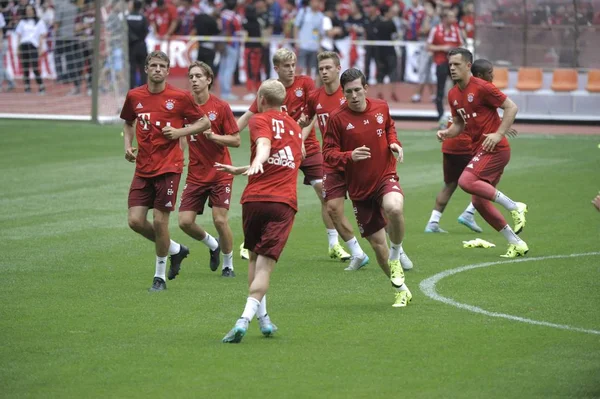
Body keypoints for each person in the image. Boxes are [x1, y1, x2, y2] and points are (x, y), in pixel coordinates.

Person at [236, 48, 350, 262]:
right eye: (286, 66)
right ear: (276, 68)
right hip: (278, 150)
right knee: (260, 195)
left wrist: (299, 138)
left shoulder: (305, 84)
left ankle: (334, 244)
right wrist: (228, 133)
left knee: (324, 192)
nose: (291, 70)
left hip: (308, 147)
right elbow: (248, 115)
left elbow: (313, 113)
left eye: (293, 65)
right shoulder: (271, 90)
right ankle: (248, 242)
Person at [217, 79, 302, 343]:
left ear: (261, 100)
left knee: (254, 259)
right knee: (265, 267)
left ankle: (264, 321)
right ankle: (244, 320)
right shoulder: (296, 128)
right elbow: (279, 158)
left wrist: (251, 164)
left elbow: (265, 148)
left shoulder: (258, 120)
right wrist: (250, 165)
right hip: (282, 204)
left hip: (253, 201)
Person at [119, 51, 210, 291]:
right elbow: (128, 122)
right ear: (146, 69)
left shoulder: (179, 98)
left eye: (162, 66)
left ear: (168, 71)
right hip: (143, 167)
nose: (158, 69)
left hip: (169, 167)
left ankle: (159, 277)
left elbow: (204, 122)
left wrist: (180, 132)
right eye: (154, 65)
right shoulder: (134, 96)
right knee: (135, 221)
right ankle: (176, 249)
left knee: (160, 222)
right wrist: (128, 145)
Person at [323, 68, 414, 307]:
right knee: (376, 245)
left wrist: (394, 143)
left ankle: (397, 251)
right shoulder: (336, 118)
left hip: (385, 175)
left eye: (357, 90)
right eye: (348, 92)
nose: (353, 96)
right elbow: (328, 155)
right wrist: (349, 156)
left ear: (366, 89)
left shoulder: (381, 106)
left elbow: (389, 128)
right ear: (343, 93)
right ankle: (401, 290)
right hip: (359, 190)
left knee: (394, 208)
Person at [437, 48, 528, 258]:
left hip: (496, 149)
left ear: (468, 66)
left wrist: (498, 134)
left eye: (457, 64)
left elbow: (511, 107)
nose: (452, 68)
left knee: (465, 181)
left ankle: (515, 207)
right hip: (480, 149)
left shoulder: (482, 87)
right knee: (478, 202)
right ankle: (516, 243)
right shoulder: (453, 94)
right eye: (450, 65)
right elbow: (459, 124)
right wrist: (447, 133)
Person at [301, 51, 368, 271]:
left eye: (328, 68)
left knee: (375, 208)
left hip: (357, 158)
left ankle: (397, 250)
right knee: (332, 207)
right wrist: (301, 131)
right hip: (332, 160)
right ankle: (357, 252)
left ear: (339, 69)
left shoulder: (349, 94)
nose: (324, 72)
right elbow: (307, 118)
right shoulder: (315, 97)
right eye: (321, 69)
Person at [176, 61, 241, 278]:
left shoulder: (220, 107)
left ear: (209, 80)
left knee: (220, 220)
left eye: (198, 76)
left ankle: (228, 265)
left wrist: (214, 137)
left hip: (220, 172)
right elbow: (179, 134)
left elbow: (236, 140)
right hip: (196, 173)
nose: (193, 80)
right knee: (185, 222)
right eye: (191, 76)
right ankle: (213, 244)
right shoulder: (184, 107)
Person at [427, 8, 462, 128]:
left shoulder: (456, 30)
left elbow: (461, 45)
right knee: (440, 91)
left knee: (458, 90)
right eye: (451, 16)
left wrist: (454, 51)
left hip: (454, 63)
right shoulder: (436, 30)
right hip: (441, 63)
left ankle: (459, 117)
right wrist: (443, 48)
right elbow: (429, 46)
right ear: (445, 18)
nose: (454, 19)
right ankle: (441, 118)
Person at [15, 4, 46, 94]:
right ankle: (27, 87)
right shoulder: (22, 22)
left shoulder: (39, 22)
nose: (29, 11)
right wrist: (18, 48)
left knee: (35, 67)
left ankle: (41, 86)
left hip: (33, 46)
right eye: (27, 10)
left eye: (30, 10)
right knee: (25, 68)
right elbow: (19, 36)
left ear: (33, 11)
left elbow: (41, 36)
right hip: (24, 45)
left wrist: (40, 48)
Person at [126, 0, 149, 89]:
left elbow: (126, 31)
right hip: (141, 45)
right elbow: (146, 31)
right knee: (143, 68)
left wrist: (133, 38)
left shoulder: (127, 17)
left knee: (132, 68)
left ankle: (131, 87)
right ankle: (143, 87)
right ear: (140, 7)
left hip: (131, 46)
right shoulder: (143, 17)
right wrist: (141, 38)